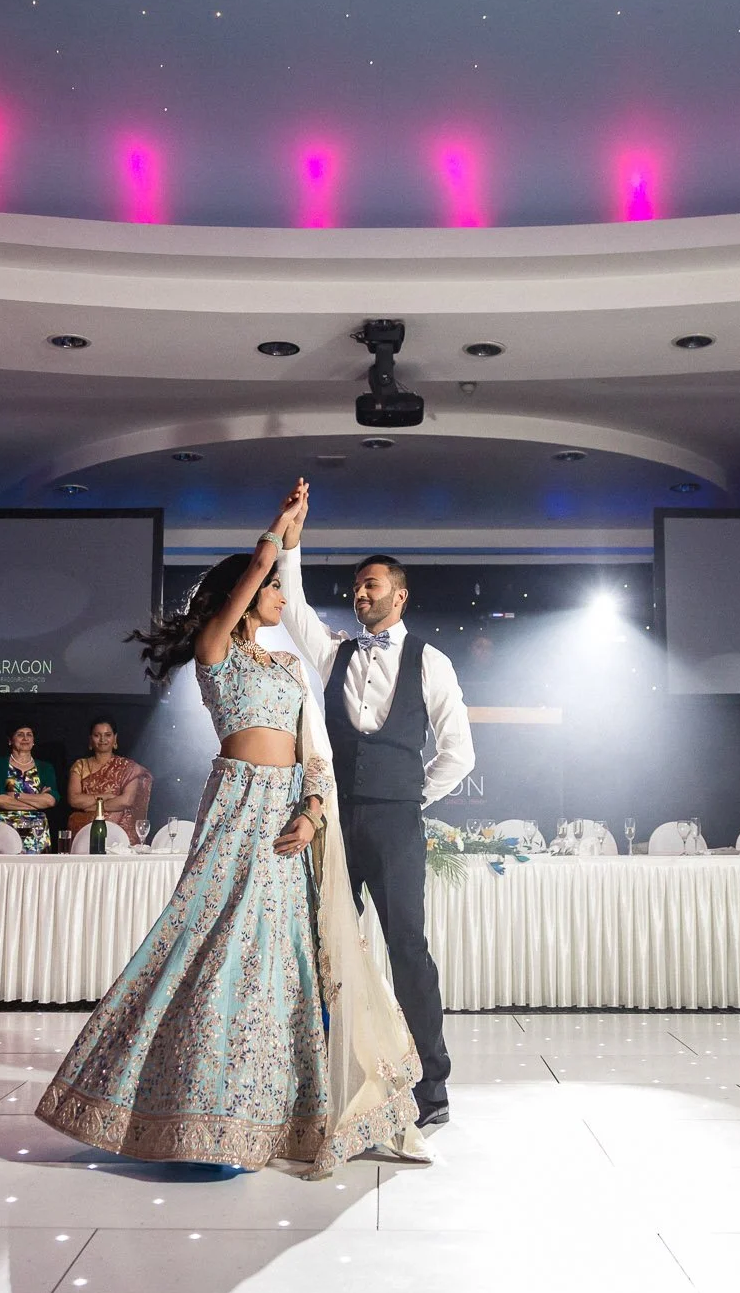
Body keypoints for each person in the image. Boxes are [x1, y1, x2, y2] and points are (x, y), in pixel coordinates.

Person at [37, 500, 428, 1177]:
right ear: (242, 598)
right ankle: (195, 1108)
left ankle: (278, 1113)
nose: (280, 595)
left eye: (278, 585)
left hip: (288, 815)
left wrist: (312, 810)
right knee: (214, 944)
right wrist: (279, 535)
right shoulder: (214, 651)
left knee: (285, 959)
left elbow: (315, 751)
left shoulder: (288, 668)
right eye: (272, 587)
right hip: (236, 808)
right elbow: (249, 578)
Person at [276, 478, 473, 1126]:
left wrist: (412, 797)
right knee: (325, 948)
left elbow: (459, 754)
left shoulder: (431, 661)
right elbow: (295, 609)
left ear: (399, 595)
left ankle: (432, 1088)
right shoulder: (334, 654)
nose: (360, 594)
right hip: (334, 824)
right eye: (357, 587)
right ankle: (323, 1079)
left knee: (408, 950)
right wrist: (291, 543)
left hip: (396, 824)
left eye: (372, 585)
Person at [66, 717, 151, 842]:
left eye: (107, 735)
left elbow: (126, 800)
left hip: (120, 833)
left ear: (115, 738)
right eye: (97, 735)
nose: (102, 740)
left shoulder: (128, 768)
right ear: (90, 739)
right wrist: (106, 796)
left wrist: (95, 807)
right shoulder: (80, 766)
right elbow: (74, 799)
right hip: (86, 832)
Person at [0, 725, 60, 852]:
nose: (25, 738)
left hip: (37, 832)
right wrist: (37, 802)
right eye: (20, 734)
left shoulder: (45, 768)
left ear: (33, 741)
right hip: (4, 830)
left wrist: (15, 795)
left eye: (29, 735)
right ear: (10, 740)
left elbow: (50, 801)